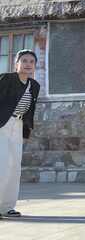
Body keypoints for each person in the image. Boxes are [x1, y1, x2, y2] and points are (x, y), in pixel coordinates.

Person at [0, 49, 40, 218]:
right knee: (2, 165)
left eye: (31, 61)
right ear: (17, 63)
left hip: (18, 125)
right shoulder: (6, 79)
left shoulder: (34, 86)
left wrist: (26, 131)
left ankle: (7, 207)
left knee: (15, 167)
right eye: (24, 61)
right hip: (2, 124)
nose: (28, 64)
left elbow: (29, 110)